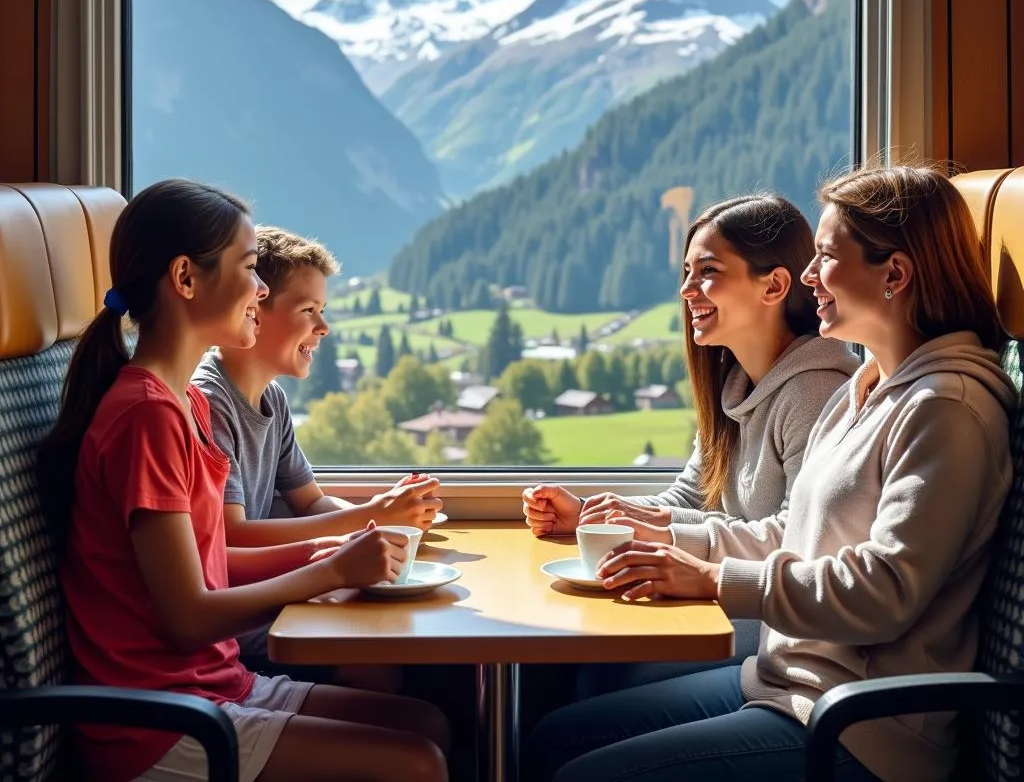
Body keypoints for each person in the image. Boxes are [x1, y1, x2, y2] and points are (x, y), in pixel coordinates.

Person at [528, 165, 1015, 782]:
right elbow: (792, 530)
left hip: (863, 728)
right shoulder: (868, 388)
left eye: (827, 257)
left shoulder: (947, 409)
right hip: (786, 681)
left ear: (894, 274)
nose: (809, 277)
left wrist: (715, 580)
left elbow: (886, 592)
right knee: (556, 737)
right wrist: (670, 541)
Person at [42, 179, 449, 782]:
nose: (261, 289)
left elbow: (210, 564)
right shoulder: (147, 416)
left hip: (216, 683)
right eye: (251, 267)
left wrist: (317, 550)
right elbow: (188, 617)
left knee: (426, 724)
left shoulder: (186, 406)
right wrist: (332, 571)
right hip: (156, 723)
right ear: (185, 279)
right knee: (416, 764)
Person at [523, 195, 857, 694]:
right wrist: (597, 515)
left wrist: (663, 534)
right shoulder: (738, 384)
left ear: (774, 285)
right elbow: (689, 498)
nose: (686, 290)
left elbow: (796, 538)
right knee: (580, 667)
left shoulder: (816, 392)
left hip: (774, 627)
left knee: (601, 675)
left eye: (707, 272)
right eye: (685, 272)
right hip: (734, 605)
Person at [193, 224, 441, 693]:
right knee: (379, 662)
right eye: (308, 310)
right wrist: (371, 516)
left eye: (322, 311)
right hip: (245, 621)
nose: (323, 327)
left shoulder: (272, 399)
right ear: (254, 310)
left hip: (278, 596)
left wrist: (383, 531)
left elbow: (311, 502)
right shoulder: (211, 402)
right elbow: (231, 533)